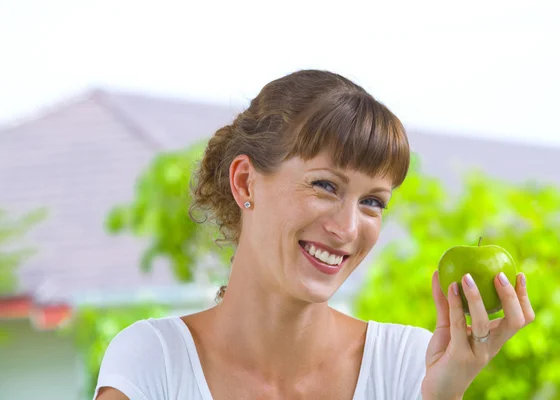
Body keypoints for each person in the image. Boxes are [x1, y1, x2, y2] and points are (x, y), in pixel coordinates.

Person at [94, 69, 535, 400]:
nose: (346, 228)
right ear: (246, 182)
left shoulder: (410, 365)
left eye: (373, 202)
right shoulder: (153, 363)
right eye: (325, 186)